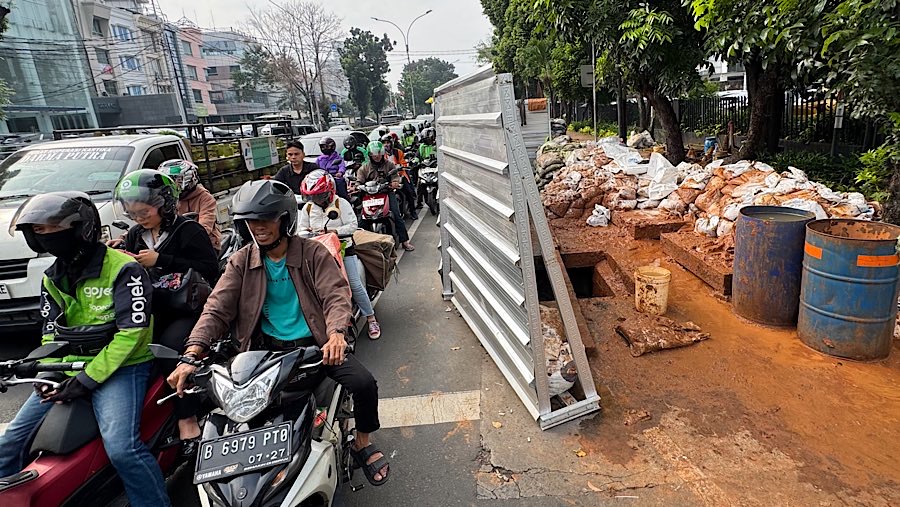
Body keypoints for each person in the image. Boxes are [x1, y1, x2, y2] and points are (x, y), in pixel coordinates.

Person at [167, 180, 390, 486]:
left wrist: (336, 332)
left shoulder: (312, 254)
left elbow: (335, 295)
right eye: (251, 221)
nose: (258, 228)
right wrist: (192, 353)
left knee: (365, 384)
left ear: (285, 220)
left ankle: (362, 442)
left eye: (266, 220)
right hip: (263, 354)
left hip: (316, 348)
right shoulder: (241, 260)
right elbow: (216, 308)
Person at [1, 192, 171, 507]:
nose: (47, 236)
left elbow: (131, 335)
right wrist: (48, 368)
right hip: (71, 367)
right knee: (8, 443)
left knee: (122, 448)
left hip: (124, 367)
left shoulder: (123, 269)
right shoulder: (54, 277)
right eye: (39, 231)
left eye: (54, 229)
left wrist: (86, 380)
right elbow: (51, 332)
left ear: (82, 228)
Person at [114, 169, 219, 456]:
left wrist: (163, 259)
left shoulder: (189, 230)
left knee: (168, 348)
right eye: (133, 212)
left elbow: (211, 268)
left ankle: (187, 417)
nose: (139, 217)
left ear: (164, 204)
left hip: (186, 307)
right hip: (149, 306)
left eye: (144, 211)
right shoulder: (135, 234)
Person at [299, 170, 381, 340]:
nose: (316, 200)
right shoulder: (307, 208)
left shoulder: (341, 203)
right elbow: (301, 230)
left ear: (329, 192)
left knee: (354, 285)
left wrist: (334, 231)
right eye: (312, 196)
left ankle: (371, 318)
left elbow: (353, 225)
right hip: (318, 255)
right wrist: (307, 233)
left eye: (319, 195)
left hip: (343, 250)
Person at [357, 141, 414, 251]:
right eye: (374, 154)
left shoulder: (389, 164)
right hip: (370, 196)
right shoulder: (364, 168)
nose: (377, 156)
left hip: (386, 193)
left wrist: (395, 182)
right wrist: (357, 186)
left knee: (396, 215)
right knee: (362, 219)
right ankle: (360, 246)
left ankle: (405, 241)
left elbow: (395, 176)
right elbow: (359, 181)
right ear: (370, 155)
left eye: (379, 153)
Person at [158, 158, 221, 251]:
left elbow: (205, 226)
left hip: (205, 243)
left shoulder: (205, 198)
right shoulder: (168, 199)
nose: (172, 185)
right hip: (175, 244)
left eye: (176, 180)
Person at [381, 134, 418, 221]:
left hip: (400, 175)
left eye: (388, 143)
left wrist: (400, 166)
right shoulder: (381, 155)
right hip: (388, 177)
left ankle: (413, 211)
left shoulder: (398, 152)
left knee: (409, 192)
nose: (386, 145)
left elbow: (404, 163)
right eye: (384, 143)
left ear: (392, 143)